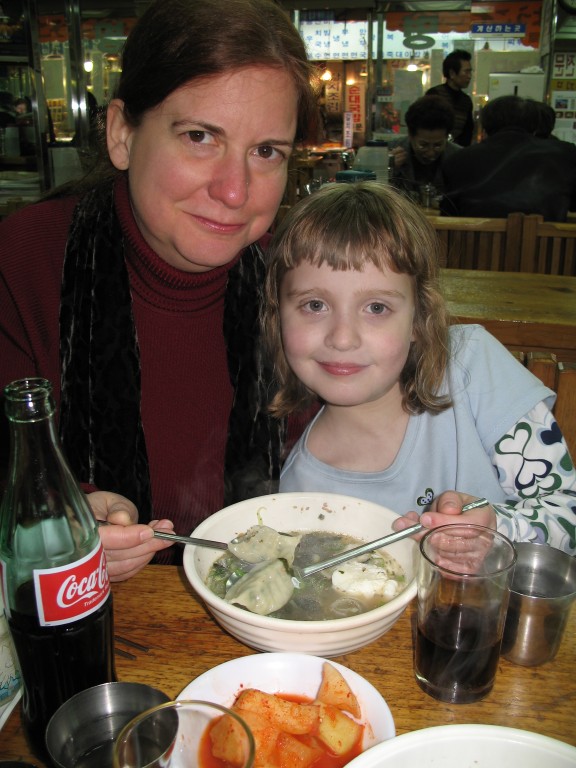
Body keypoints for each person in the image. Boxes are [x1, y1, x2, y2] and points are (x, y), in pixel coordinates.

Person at [0, 0, 320, 579]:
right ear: (122, 133)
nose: (234, 189)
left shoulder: (301, 284)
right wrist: (61, 519)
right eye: (200, 137)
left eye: (266, 151)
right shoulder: (25, 260)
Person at [262, 181, 576, 555]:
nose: (342, 338)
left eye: (376, 308)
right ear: (278, 315)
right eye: (314, 305)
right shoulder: (296, 487)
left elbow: (567, 514)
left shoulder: (472, 365)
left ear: (419, 319)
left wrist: (495, 533)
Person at [441, 94, 576, 221]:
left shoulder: (458, 159)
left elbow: (448, 213)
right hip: (548, 245)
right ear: (534, 126)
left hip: (475, 244)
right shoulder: (566, 154)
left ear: (486, 128)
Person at [389, 95, 461, 201]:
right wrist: (388, 169)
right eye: (423, 145)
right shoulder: (390, 152)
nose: (431, 153)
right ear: (410, 135)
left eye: (438, 145)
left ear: (447, 136)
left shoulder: (459, 157)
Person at [426, 49, 474, 147]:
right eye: (466, 72)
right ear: (452, 73)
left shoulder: (466, 101)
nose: (469, 76)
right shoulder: (435, 95)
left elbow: (467, 131)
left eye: (470, 72)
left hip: (457, 152)